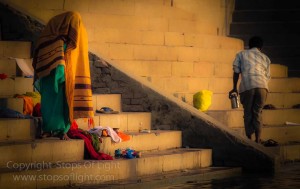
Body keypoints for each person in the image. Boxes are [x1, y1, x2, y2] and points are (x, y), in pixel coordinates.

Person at [32, 11, 94, 140]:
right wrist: (58, 76)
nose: (77, 28)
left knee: (65, 104)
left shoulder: (69, 41)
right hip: (52, 81)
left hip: (65, 80)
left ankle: (62, 130)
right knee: (50, 105)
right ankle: (48, 129)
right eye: (74, 24)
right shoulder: (53, 39)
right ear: (66, 23)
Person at [229, 36, 271, 143]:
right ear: (261, 47)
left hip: (247, 86)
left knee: (248, 112)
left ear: (249, 45)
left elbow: (236, 71)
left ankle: (249, 139)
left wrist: (234, 87)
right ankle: (257, 139)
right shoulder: (265, 58)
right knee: (257, 113)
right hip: (262, 86)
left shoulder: (241, 54)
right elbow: (267, 76)